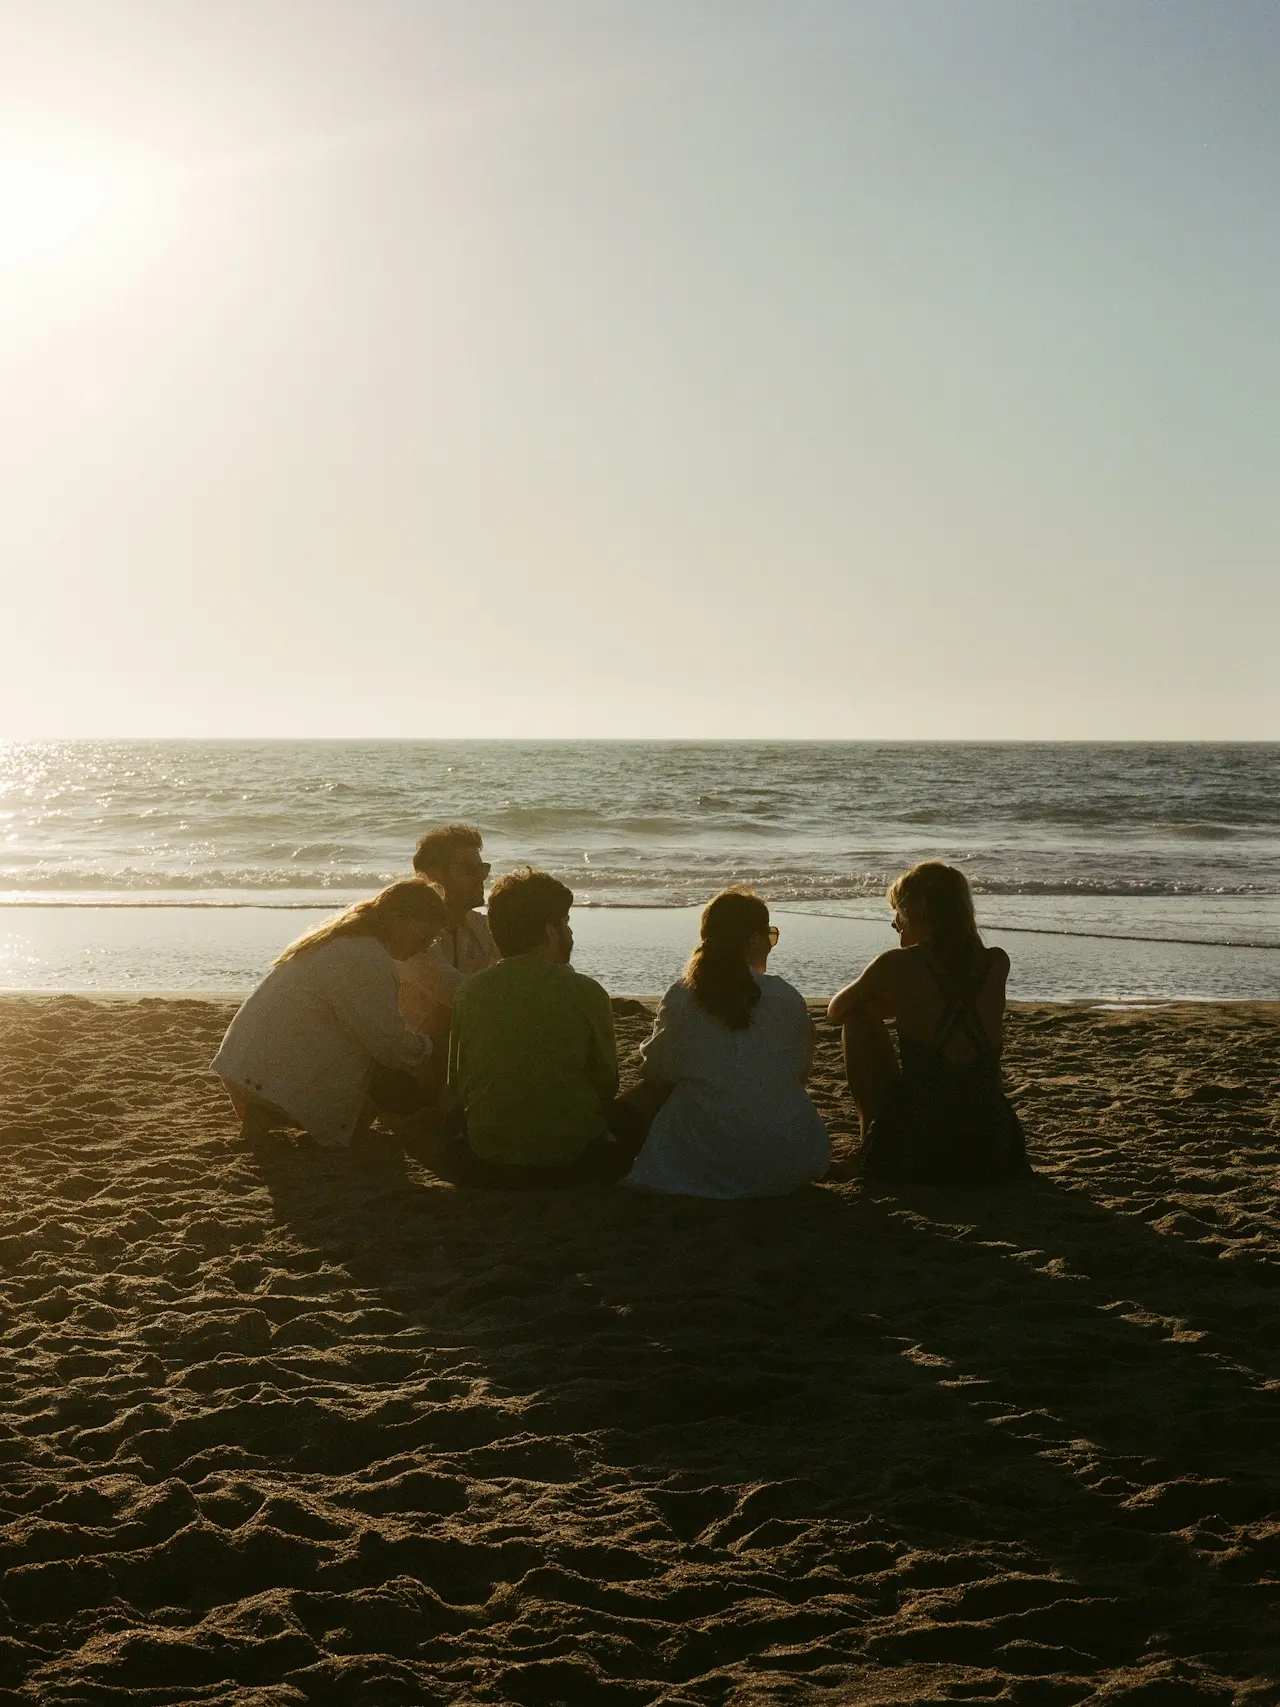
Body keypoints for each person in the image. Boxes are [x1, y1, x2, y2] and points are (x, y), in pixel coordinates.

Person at [826, 861, 1030, 1182]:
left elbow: (836, 1009)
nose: (896, 925)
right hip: (990, 1140)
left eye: (897, 914)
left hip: (923, 1139)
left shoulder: (897, 964)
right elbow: (952, 998)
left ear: (917, 908)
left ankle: (870, 1148)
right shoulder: (996, 962)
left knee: (857, 1017)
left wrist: (882, 1005)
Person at [624, 889, 831, 1199]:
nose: (772, 946)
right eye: (770, 936)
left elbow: (656, 1071)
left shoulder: (683, 995)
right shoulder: (786, 997)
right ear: (752, 940)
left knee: (650, 1093)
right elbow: (801, 1072)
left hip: (703, 1165)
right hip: (792, 1162)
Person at [212, 879, 449, 1148]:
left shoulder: (341, 939)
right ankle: (278, 1109)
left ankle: (270, 1111)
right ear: (396, 918)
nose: (423, 948)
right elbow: (387, 1043)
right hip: (265, 1077)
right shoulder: (365, 956)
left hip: (243, 1064)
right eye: (422, 938)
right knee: (402, 1067)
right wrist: (430, 1049)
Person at [446, 869, 632, 1186]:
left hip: (490, 1155)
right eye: (566, 922)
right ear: (550, 930)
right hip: (570, 1158)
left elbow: (457, 1083)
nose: (570, 933)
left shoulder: (470, 990)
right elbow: (606, 1083)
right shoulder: (586, 992)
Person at [397, 824, 500, 1046]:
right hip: (412, 1062)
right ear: (434, 877)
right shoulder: (409, 936)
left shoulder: (480, 926)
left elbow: (522, 966)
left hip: (461, 1051)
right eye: (469, 869)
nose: (482, 877)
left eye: (483, 868)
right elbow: (459, 994)